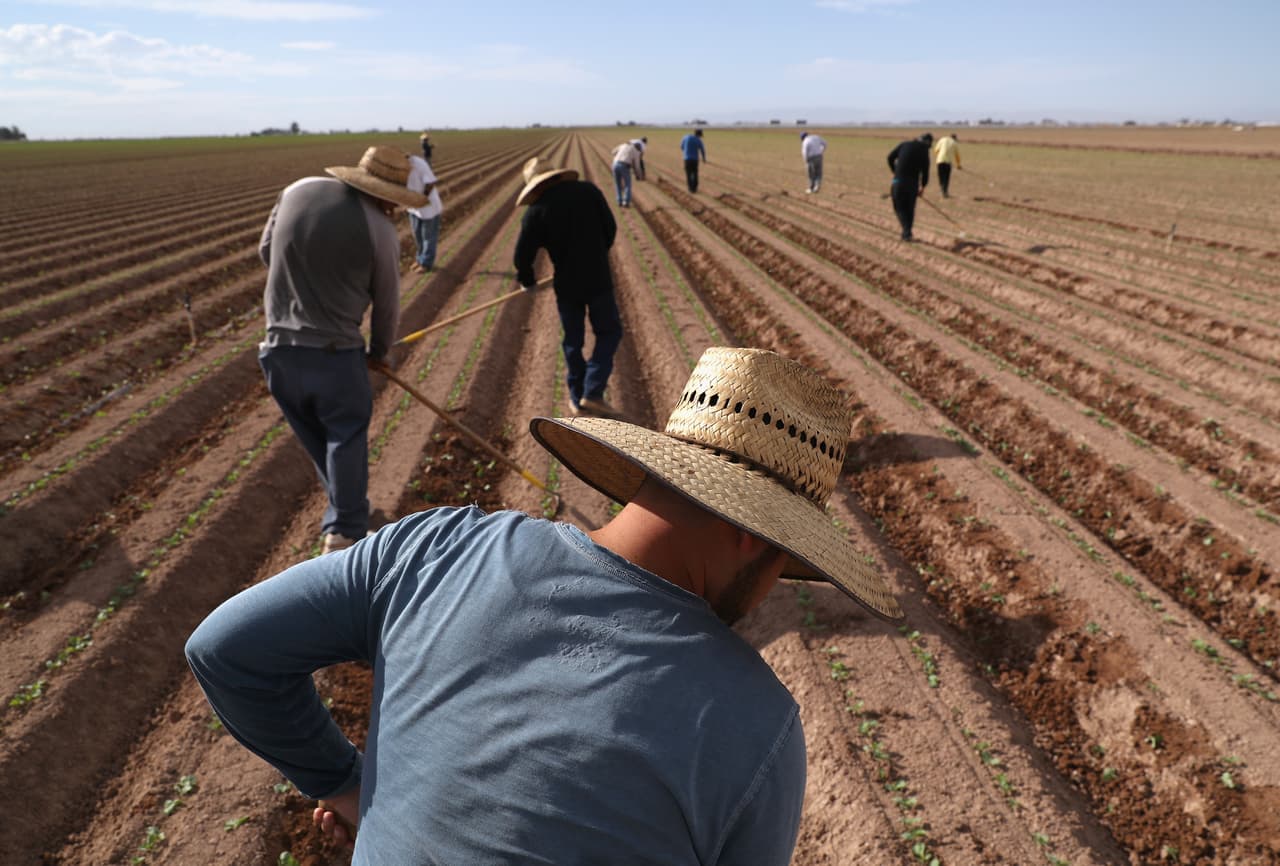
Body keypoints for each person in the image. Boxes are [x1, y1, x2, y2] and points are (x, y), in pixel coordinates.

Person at [185, 345, 903, 865]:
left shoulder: (432, 547)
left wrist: (350, 786)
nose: (779, 580)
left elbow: (225, 648)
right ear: (753, 535)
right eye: (787, 557)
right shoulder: (759, 727)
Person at [256, 145, 427, 554]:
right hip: (335, 355)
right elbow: (387, 302)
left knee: (322, 443)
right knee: (346, 438)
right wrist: (381, 352)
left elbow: (266, 252)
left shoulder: (297, 190)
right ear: (387, 193)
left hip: (278, 351)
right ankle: (346, 533)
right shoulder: (380, 229)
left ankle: (346, 511)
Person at [513, 157, 623, 419]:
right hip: (598, 278)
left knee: (573, 340)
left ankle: (577, 397)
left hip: (566, 284)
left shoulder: (536, 211)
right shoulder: (589, 191)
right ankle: (593, 390)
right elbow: (610, 229)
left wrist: (527, 281)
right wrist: (595, 253)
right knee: (609, 332)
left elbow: (522, 256)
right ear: (556, 175)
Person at [886, 132, 933, 241]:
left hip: (898, 182)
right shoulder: (924, 152)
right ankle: (907, 232)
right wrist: (922, 187)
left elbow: (889, 157)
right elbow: (925, 172)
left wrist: (895, 171)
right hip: (912, 185)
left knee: (899, 207)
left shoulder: (904, 144)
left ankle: (906, 232)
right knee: (910, 209)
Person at [405, 153, 443, 272]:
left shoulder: (419, 163)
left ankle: (426, 264)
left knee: (428, 236)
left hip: (428, 206)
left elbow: (430, 183)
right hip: (413, 207)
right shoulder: (398, 167)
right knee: (418, 236)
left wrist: (422, 198)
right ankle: (419, 259)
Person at [610, 139, 643, 207]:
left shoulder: (623, 145)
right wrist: (639, 175)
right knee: (627, 184)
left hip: (615, 165)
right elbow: (637, 166)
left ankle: (619, 201)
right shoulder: (636, 152)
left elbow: (613, 152)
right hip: (624, 166)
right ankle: (626, 202)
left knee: (618, 184)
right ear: (638, 147)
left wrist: (619, 156)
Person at [932, 132, 961, 198]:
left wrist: (938, 156)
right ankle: (945, 191)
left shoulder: (942, 139)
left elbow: (936, 151)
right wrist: (958, 165)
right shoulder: (954, 143)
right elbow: (957, 156)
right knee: (946, 177)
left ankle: (942, 189)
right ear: (955, 138)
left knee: (941, 176)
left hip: (940, 161)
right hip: (948, 163)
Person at [680, 128, 706, 193]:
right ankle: (694, 188)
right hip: (695, 160)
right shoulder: (698, 140)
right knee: (695, 173)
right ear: (699, 135)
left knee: (688, 174)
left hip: (687, 159)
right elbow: (702, 150)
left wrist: (686, 152)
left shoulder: (686, 137)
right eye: (700, 135)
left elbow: (681, 147)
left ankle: (690, 188)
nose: (700, 137)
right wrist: (704, 159)